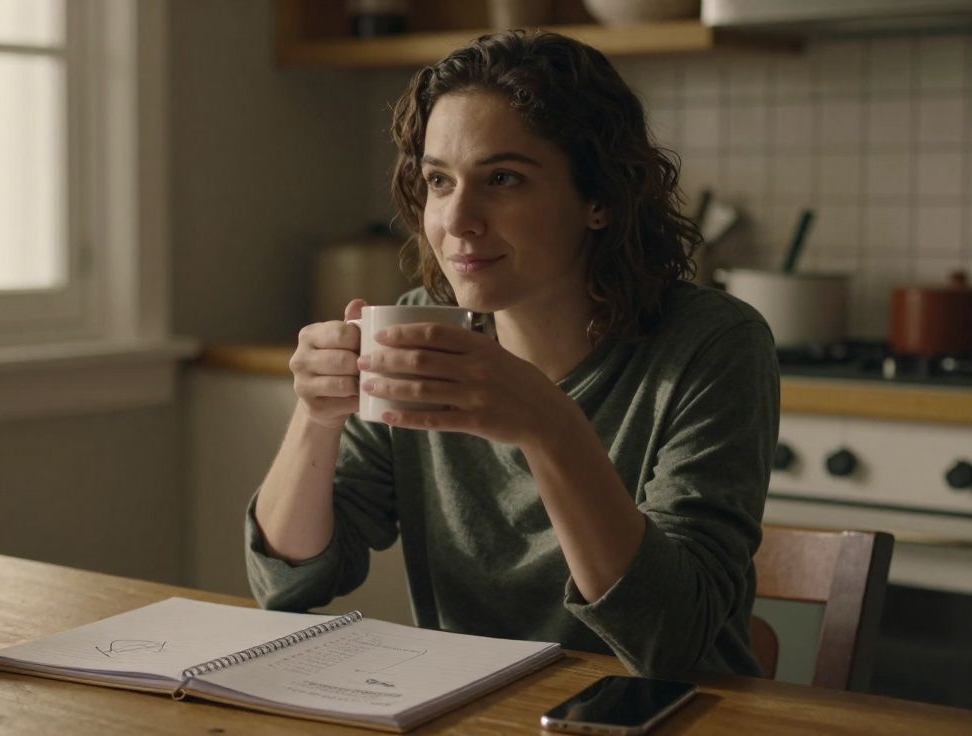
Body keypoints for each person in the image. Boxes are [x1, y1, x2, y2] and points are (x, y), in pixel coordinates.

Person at [245, 30, 778, 678]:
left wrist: (547, 426)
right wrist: (317, 417)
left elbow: (671, 638)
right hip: (473, 714)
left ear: (600, 199)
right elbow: (286, 584)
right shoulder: (421, 333)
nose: (458, 219)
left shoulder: (711, 345)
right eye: (440, 181)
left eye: (502, 178)